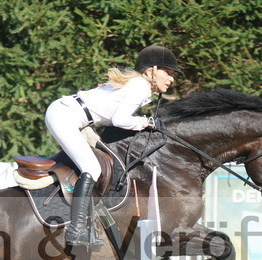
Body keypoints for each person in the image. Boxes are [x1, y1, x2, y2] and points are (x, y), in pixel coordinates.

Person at [45, 44, 179, 248]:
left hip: (73, 116)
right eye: (167, 72)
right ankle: (76, 229)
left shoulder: (138, 85)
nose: (171, 79)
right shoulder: (140, 85)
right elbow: (120, 120)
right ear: (151, 71)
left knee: (96, 163)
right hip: (65, 117)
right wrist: (146, 122)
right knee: (92, 168)